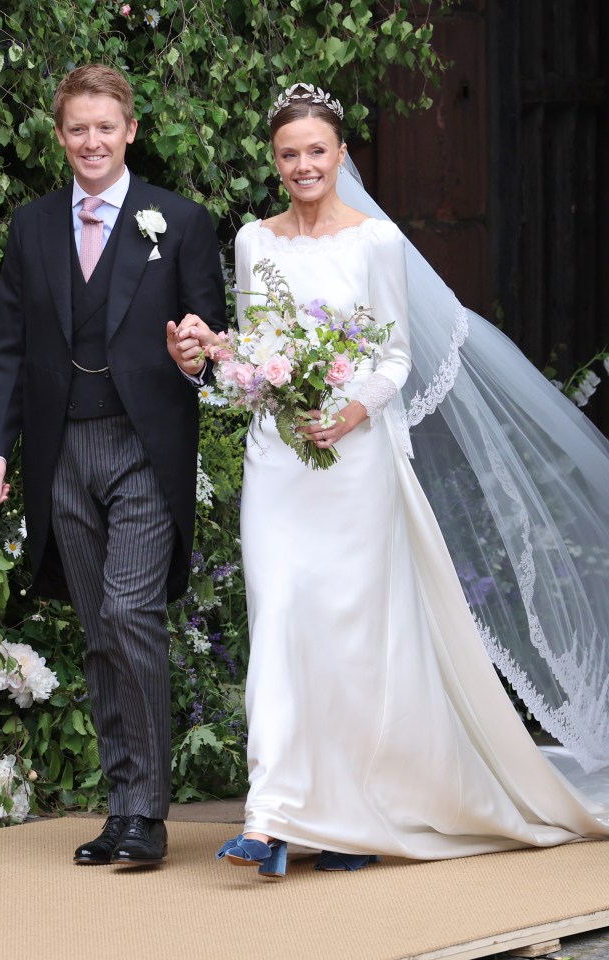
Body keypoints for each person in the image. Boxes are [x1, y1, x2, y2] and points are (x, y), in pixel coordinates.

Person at [172, 83, 609, 880]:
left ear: (342, 155)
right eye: (289, 153)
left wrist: (349, 413)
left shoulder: (376, 241)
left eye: (317, 151)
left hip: (353, 460)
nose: (303, 165)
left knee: (349, 638)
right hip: (279, 465)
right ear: (275, 162)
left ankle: (352, 818)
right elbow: (252, 372)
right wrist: (206, 361)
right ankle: (272, 817)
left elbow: (395, 357)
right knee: (279, 621)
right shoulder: (252, 242)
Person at [0, 64, 226, 867]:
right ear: (61, 135)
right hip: (61, 455)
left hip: (144, 449)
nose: (92, 141)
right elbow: (8, 347)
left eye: (105, 127)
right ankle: (122, 805)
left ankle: (149, 814)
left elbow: (211, 352)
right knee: (96, 630)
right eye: (78, 128)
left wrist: (194, 355)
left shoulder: (179, 222)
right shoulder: (31, 225)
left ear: (131, 131)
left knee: (129, 614)